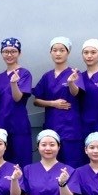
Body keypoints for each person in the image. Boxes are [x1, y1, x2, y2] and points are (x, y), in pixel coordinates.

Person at [32, 37, 84, 167]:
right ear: (50, 53)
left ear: (68, 52)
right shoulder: (47, 76)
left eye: (62, 50)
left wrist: (71, 82)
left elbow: (76, 93)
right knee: (52, 165)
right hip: (52, 126)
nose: (58, 53)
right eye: (54, 50)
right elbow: (36, 101)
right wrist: (52, 103)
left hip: (71, 128)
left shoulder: (75, 73)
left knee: (72, 164)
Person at [0, 38, 33, 166]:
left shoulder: (25, 74)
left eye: (13, 51)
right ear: (1, 53)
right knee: (3, 162)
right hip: (2, 125)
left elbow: (17, 98)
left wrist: (14, 83)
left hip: (19, 125)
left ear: (19, 53)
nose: (9, 55)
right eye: (6, 51)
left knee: (21, 161)